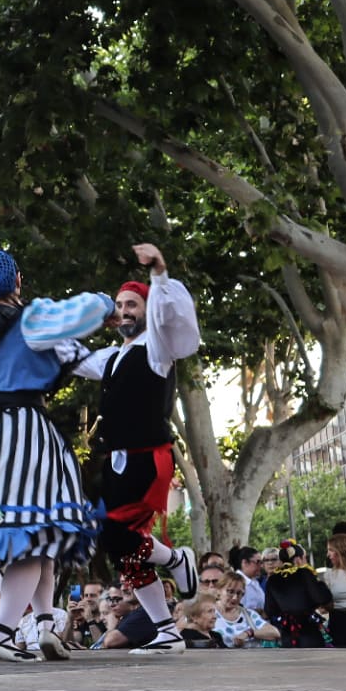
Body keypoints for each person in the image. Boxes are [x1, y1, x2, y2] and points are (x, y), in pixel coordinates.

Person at [0, 249, 112, 662]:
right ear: (18, 280)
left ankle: (44, 627)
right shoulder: (33, 320)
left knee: (39, 536)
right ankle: (3, 633)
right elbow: (85, 340)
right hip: (25, 434)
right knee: (33, 537)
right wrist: (110, 308)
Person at [64, 244, 202, 654]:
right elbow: (68, 356)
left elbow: (165, 317)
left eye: (132, 304)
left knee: (117, 534)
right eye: (120, 305)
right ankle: (167, 630)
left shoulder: (156, 349)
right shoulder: (110, 357)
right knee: (122, 550)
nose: (125, 311)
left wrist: (159, 273)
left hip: (148, 457)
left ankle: (175, 561)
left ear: (147, 309)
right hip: (120, 462)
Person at [262, 541, 331, 647]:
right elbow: (321, 598)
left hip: (286, 631)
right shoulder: (305, 574)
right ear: (298, 559)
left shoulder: (272, 579)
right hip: (308, 628)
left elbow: (270, 610)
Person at [212, 573, 280, 648]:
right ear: (219, 590)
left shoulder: (248, 614)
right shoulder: (209, 613)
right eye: (230, 592)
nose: (235, 597)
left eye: (239, 593)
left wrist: (248, 633)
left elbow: (275, 633)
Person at [229, 546, 268, 614]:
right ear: (245, 563)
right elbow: (235, 610)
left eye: (261, 562)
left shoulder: (254, 581)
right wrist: (258, 613)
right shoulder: (236, 583)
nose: (261, 566)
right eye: (258, 562)